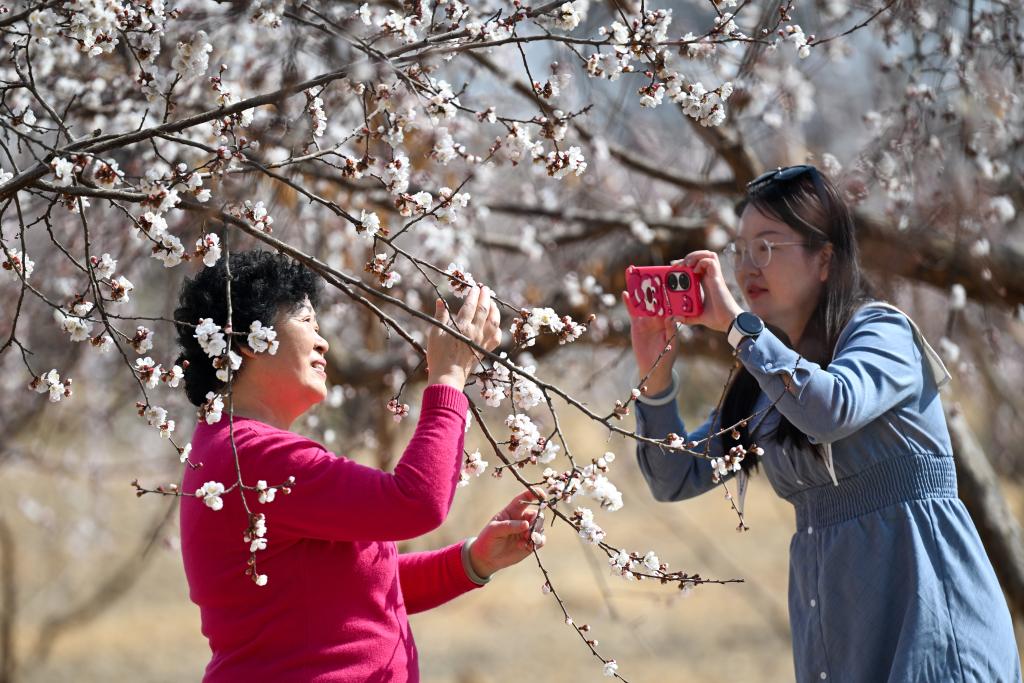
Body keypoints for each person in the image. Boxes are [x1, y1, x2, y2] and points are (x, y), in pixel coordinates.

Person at [627, 165, 1021, 682]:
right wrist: (654, 374)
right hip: (841, 645)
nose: (747, 267)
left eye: (767, 247)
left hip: (933, 633)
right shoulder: (767, 376)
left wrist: (737, 329)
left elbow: (831, 410)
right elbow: (673, 477)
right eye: (741, 250)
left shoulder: (882, 331)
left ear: (825, 259)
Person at [175, 250, 539, 682]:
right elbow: (416, 501)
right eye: (305, 321)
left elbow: (359, 585)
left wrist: (472, 562)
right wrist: (448, 377)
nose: (323, 341)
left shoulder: (239, 450)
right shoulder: (251, 456)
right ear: (246, 341)